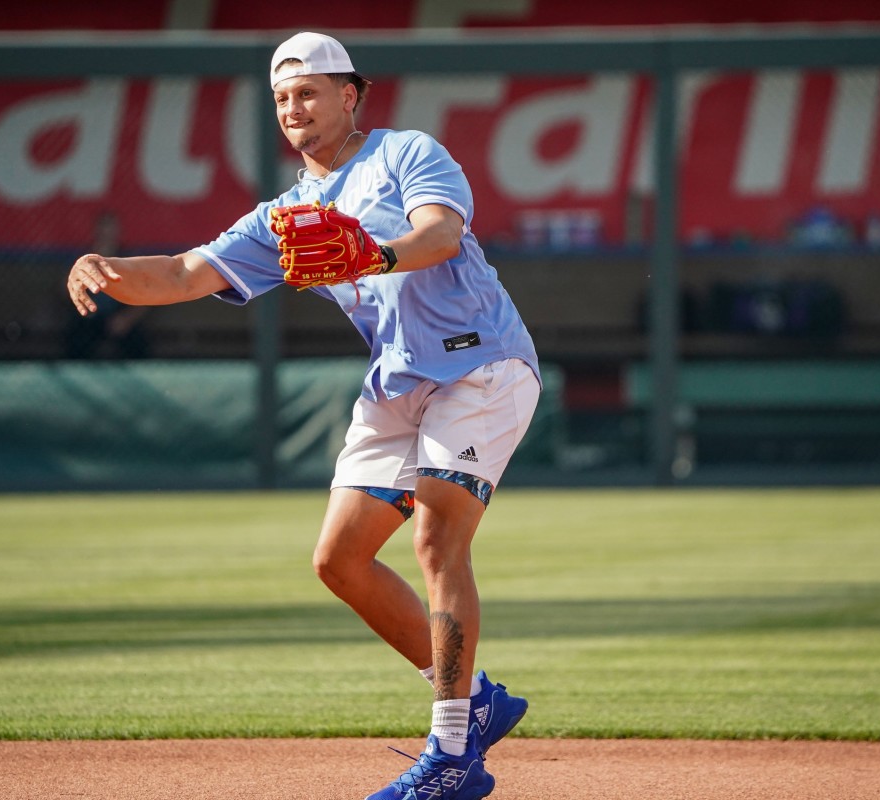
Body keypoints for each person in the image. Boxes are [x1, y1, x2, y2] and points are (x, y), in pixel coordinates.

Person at [67, 31, 541, 800]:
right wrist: (110, 271)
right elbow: (187, 272)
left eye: (310, 92)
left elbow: (439, 233)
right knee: (339, 560)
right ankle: (477, 698)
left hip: (480, 362)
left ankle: (454, 753)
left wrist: (370, 255)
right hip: (397, 380)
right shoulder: (287, 214)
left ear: (350, 96)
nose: (294, 107)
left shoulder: (406, 153)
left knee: (436, 535)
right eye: (283, 96)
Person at [63, 210, 149, 360]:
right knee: (77, 339)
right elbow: (66, 290)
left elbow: (145, 296)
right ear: (96, 231)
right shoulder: (84, 259)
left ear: (117, 231)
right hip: (88, 317)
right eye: (103, 228)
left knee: (137, 343)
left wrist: (126, 319)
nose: (106, 233)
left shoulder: (129, 259)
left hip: (119, 316)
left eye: (110, 228)